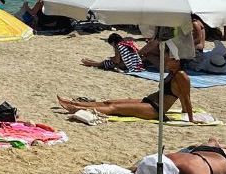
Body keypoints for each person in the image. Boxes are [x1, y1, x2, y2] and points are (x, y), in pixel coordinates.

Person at [57, 45, 194, 122]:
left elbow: (186, 97)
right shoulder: (172, 72)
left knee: (114, 108)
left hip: (155, 109)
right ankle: (74, 104)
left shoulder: (182, 76)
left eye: (169, 59)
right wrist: (182, 110)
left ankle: (76, 109)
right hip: (149, 101)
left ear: (177, 61)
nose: (166, 60)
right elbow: (180, 95)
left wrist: (190, 118)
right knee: (108, 102)